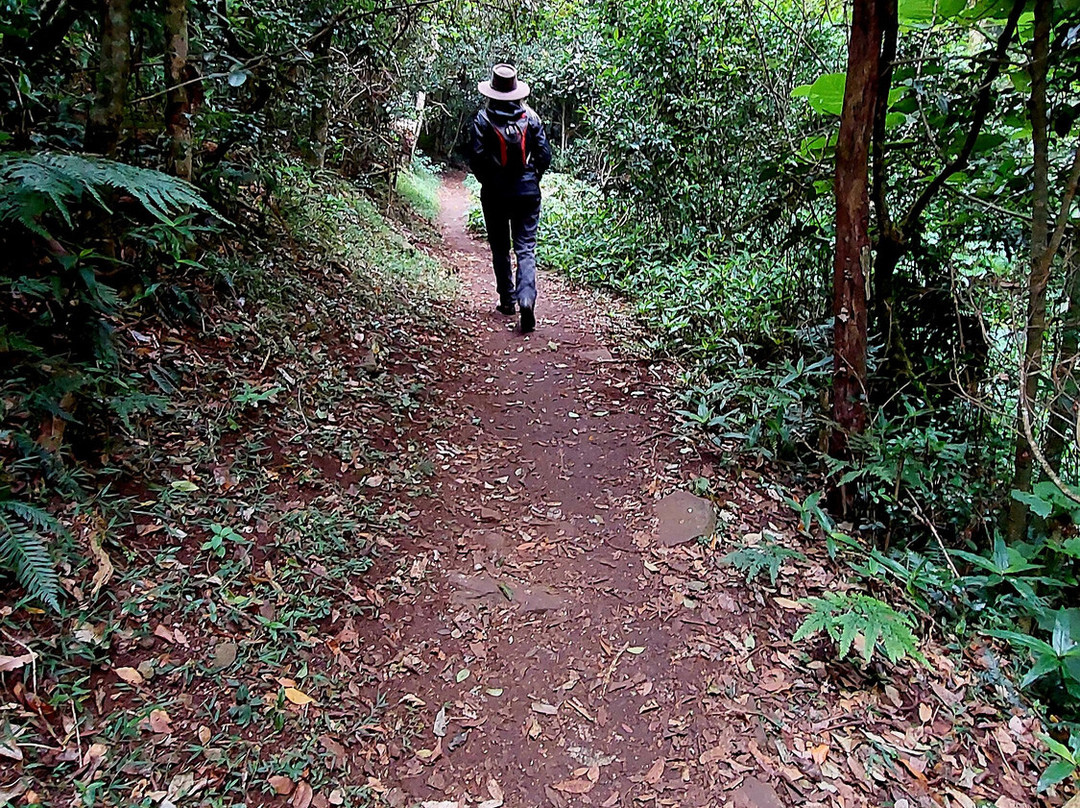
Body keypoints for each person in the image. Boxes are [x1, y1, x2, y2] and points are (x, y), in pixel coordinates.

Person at [469, 63, 551, 334]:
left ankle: (508, 300)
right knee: (525, 248)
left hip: (495, 193)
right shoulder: (531, 117)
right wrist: (531, 177)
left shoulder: (482, 120)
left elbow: (477, 159)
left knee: (500, 247)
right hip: (527, 191)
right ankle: (526, 298)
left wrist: (490, 181)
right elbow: (544, 156)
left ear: (492, 92)